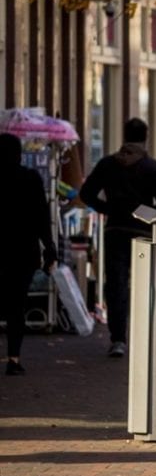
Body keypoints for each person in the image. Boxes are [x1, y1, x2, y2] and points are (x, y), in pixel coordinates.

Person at [80, 118, 156, 358]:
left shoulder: (107, 164)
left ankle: (118, 339)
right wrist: (149, 214)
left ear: (124, 136)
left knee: (116, 285)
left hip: (115, 231)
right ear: (146, 137)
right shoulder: (152, 167)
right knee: (145, 285)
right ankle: (145, 337)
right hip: (143, 232)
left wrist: (108, 209)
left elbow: (86, 193)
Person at [1, 134, 57, 375]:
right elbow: (42, 217)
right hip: (23, 252)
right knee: (17, 306)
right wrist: (49, 248)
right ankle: (14, 359)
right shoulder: (31, 178)